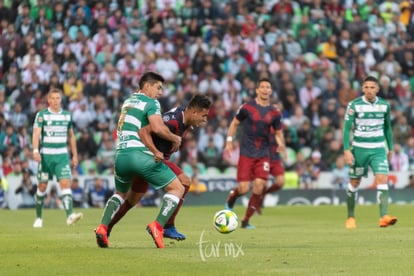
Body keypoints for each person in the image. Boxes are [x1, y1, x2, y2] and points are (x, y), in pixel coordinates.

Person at [94, 71, 183, 249]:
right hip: (139, 155)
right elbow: (157, 128)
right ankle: (158, 226)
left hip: (120, 156)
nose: (160, 92)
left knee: (120, 194)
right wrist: (175, 139)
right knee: (177, 188)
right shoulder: (151, 102)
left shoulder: (128, 101)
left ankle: (103, 227)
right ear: (147, 86)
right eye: (158, 88)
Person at [106, 94, 212, 240]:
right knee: (185, 182)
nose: (205, 120)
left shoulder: (185, 119)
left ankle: (106, 228)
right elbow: (143, 131)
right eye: (204, 115)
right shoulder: (173, 121)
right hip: (151, 158)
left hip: (153, 159)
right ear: (194, 112)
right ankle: (167, 226)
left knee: (131, 201)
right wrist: (156, 150)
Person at [224, 78, 285, 229]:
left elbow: (278, 132)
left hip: (263, 154)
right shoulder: (247, 108)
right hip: (246, 152)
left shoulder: (274, 112)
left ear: (270, 91)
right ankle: (232, 198)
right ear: (257, 90)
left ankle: (246, 220)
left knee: (259, 186)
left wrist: (281, 143)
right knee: (244, 189)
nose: (265, 89)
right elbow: (234, 123)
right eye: (262, 87)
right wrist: (229, 140)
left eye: (268, 87)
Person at [343, 76, 397, 229]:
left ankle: (384, 216)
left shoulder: (384, 105)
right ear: (362, 89)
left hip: (379, 149)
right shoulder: (354, 105)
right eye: (366, 87)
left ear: (377, 89)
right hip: (359, 148)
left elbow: (387, 128)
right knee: (355, 182)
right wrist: (347, 150)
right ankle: (350, 217)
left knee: (382, 179)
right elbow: (347, 129)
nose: (369, 90)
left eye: (372, 87)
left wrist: (390, 147)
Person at [32, 88, 83, 228]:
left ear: (61, 100)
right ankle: (38, 217)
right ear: (48, 100)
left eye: (58, 98)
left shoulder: (67, 116)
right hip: (46, 156)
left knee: (65, 183)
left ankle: (69, 215)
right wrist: (35, 150)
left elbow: (71, 136)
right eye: (52, 98)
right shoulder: (42, 115)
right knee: (42, 187)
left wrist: (75, 155)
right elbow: (36, 134)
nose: (55, 101)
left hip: (61, 155)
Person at [258, 122, 285, 213]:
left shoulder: (278, 125)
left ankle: (264, 194)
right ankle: (258, 204)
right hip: (263, 159)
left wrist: (283, 150)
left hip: (275, 159)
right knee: (262, 184)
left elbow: (281, 137)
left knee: (281, 182)